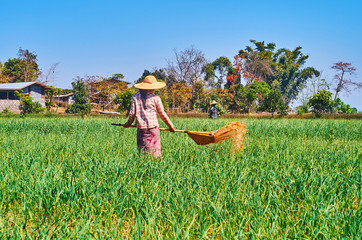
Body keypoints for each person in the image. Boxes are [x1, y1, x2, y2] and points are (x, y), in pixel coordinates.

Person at [123, 75, 175, 159]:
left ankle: (144, 170)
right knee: (155, 155)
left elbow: (132, 114)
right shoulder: (156, 98)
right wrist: (171, 126)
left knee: (143, 154)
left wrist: (128, 124)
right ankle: (155, 169)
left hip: (141, 130)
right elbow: (162, 114)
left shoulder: (135, 97)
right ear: (152, 87)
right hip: (153, 129)